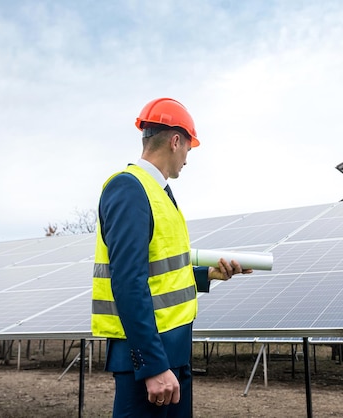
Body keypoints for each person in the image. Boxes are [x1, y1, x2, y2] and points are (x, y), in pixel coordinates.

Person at [91, 97, 252, 417]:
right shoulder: (129, 188)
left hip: (171, 353)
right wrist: (151, 366)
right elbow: (127, 281)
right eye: (188, 151)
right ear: (176, 141)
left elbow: (159, 272)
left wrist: (208, 275)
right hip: (151, 360)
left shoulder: (158, 193)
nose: (187, 161)